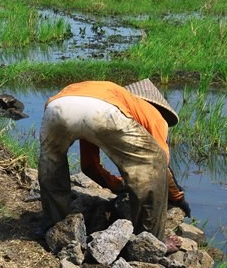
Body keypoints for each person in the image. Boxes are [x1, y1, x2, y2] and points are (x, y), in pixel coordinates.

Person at [38, 79, 189, 239]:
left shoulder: (109, 94)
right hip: (105, 111)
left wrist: (116, 185)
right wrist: (178, 197)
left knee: (52, 166)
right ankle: (151, 240)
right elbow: (161, 165)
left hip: (55, 107)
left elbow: (89, 166)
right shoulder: (154, 114)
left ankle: (55, 228)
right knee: (153, 159)